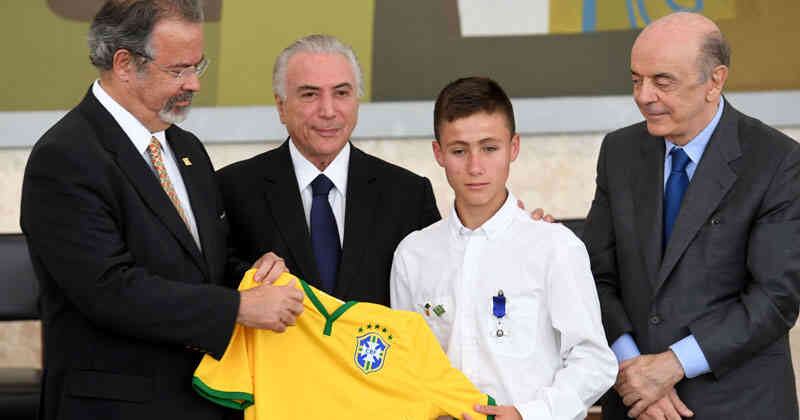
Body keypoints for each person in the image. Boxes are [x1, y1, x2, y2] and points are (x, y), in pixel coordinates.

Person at [20, 1, 302, 419]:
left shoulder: (186, 149)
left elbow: (206, 264)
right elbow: (108, 289)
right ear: (124, 63)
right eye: (178, 70)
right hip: (117, 406)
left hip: (205, 396)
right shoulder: (65, 157)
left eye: (198, 67)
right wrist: (238, 308)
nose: (194, 84)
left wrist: (252, 275)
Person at [584, 12, 800, 420]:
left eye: (662, 82)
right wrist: (634, 372)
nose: (644, 96)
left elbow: (775, 298)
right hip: (634, 404)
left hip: (738, 405)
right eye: (636, 79)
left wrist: (672, 365)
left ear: (714, 81)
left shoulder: (777, 162)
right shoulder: (619, 152)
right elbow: (594, 274)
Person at [390, 76, 617, 420]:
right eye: (459, 150)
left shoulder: (555, 246)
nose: (475, 166)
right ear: (438, 153)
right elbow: (405, 364)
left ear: (514, 147)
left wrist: (529, 414)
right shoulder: (413, 255)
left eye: (489, 148)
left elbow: (594, 361)